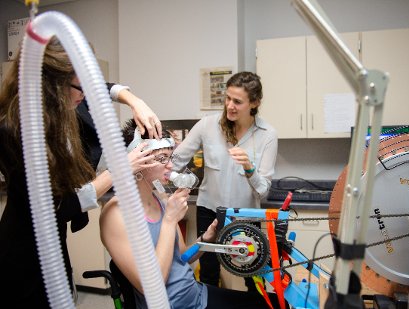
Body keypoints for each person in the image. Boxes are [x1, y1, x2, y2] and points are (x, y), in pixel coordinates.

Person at [0, 36, 160, 308]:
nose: (88, 92)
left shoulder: (63, 103)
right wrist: (121, 169)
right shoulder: (16, 131)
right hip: (23, 254)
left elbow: (104, 88)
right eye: (80, 85)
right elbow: (59, 208)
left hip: (54, 241)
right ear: (52, 84)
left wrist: (135, 100)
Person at [100, 119, 285, 309]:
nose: (171, 166)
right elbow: (150, 287)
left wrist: (207, 238)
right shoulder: (116, 214)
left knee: (276, 304)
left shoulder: (161, 198)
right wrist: (170, 221)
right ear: (138, 161)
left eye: (170, 157)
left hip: (195, 293)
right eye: (163, 158)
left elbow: (182, 256)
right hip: (174, 305)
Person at [171, 71, 278, 289]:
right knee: (209, 272)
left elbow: (262, 190)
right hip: (209, 211)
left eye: (237, 101)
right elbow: (175, 160)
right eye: (228, 98)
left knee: (253, 275)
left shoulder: (267, 134)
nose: (230, 105)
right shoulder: (207, 126)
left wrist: (249, 168)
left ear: (255, 103)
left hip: (246, 216)